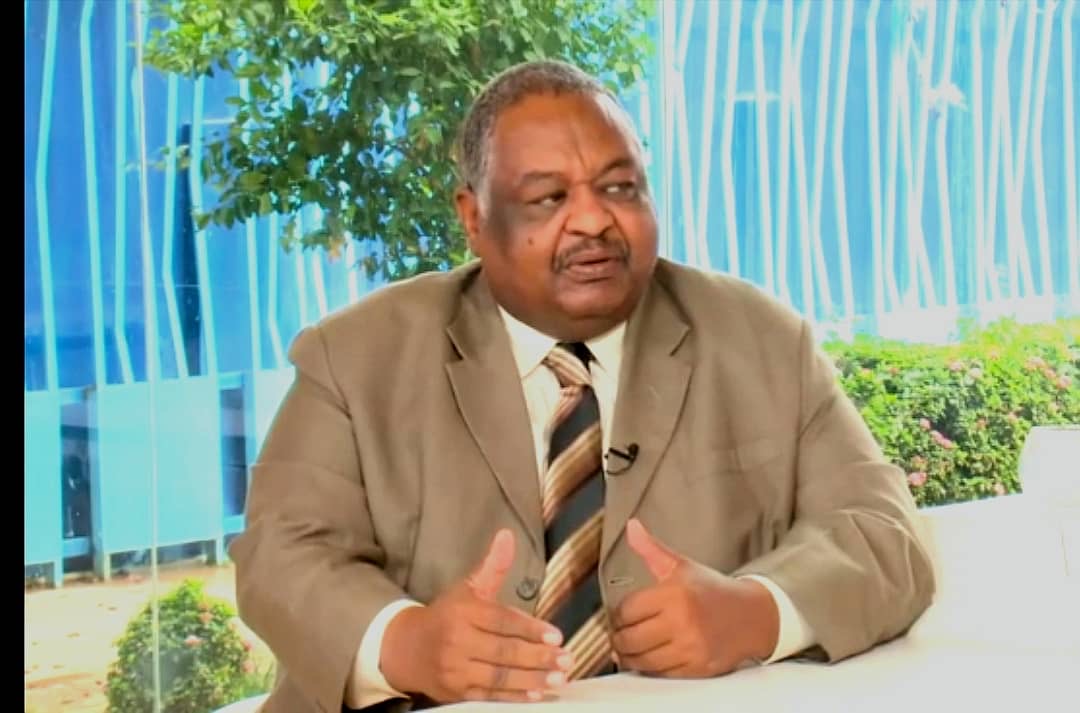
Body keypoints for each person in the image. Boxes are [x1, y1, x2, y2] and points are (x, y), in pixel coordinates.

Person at [230, 59, 936, 713]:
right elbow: (280, 555)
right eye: (548, 197)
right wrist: (408, 643)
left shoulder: (763, 340)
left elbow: (884, 533)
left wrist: (753, 613)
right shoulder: (355, 357)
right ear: (473, 218)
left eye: (619, 187)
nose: (594, 220)